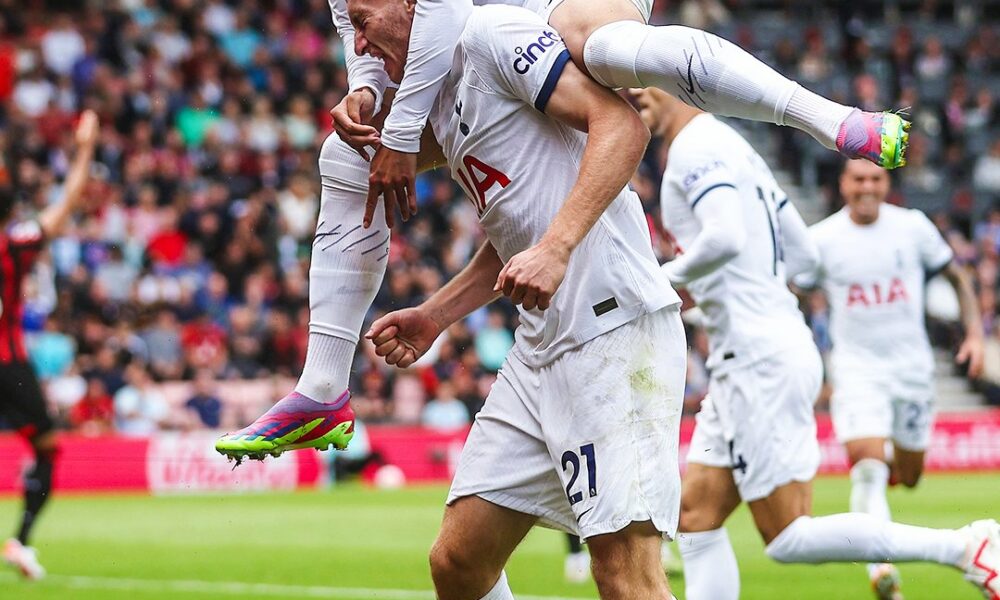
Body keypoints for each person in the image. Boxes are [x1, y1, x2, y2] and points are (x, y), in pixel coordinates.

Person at [363, 3, 687, 598]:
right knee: (459, 561)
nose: (358, 45)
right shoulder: (437, 96)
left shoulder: (491, 33)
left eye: (362, 20)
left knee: (625, 575)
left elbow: (623, 127)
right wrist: (437, 314)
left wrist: (559, 247)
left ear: (410, 5)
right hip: (541, 349)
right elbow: (517, 232)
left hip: (613, 333)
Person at [633, 87, 1000, 600]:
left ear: (677, 82)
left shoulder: (694, 150)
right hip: (759, 351)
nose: (629, 89)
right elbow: (804, 256)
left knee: (786, 536)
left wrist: (652, 285)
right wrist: (746, 290)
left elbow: (726, 238)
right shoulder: (738, 148)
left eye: (641, 77)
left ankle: (965, 547)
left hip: (759, 361)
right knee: (696, 515)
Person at [326, 0, 910, 230]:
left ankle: (833, 120)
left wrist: (401, 133)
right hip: (495, 32)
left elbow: (440, 8)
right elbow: (357, 29)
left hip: (545, 8)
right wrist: (367, 93)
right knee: (345, 153)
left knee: (607, 48)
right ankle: (323, 381)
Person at [796, 158, 990, 598]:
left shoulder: (913, 226)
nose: (867, 186)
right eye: (858, 178)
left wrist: (975, 335)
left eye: (876, 179)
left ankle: (887, 484)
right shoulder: (821, 239)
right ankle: (881, 570)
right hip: (857, 369)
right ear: (843, 185)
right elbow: (794, 290)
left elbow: (957, 276)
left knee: (909, 472)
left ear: (887, 184)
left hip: (912, 371)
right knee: (867, 467)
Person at [1, 110, 99, 580]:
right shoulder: (15, 243)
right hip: (7, 362)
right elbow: (67, 203)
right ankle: (20, 539)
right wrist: (84, 148)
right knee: (47, 448)